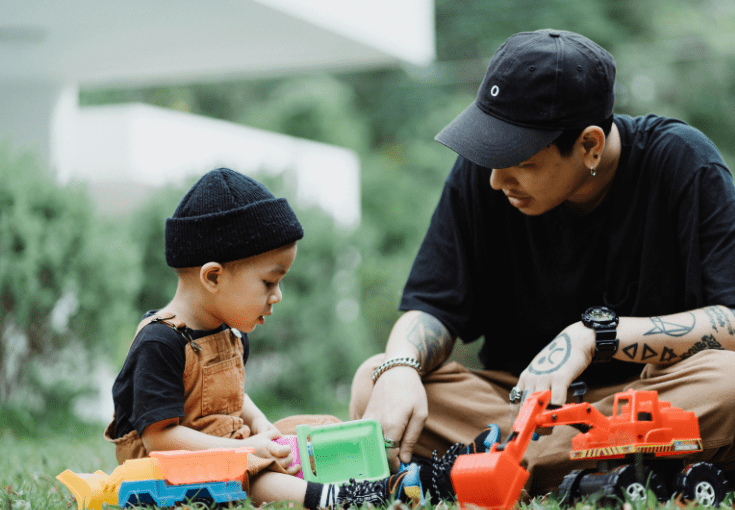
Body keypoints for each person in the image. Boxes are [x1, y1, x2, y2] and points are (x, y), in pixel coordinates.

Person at [350, 29, 735, 496]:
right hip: (516, 406)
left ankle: (493, 470)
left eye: (519, 160)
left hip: (642, 401)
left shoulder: (681, 160)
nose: (496, 180)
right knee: (372, 379)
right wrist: (399, 367)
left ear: (590, 146)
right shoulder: (485, 175)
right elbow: (432, 307)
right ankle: (607, 474)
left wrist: (595, 337)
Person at [104, 168, 476, 508]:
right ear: (213, 277)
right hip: (168, 467)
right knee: (257, 469)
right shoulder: (161, 343)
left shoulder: (227, 333)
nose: (277, 296)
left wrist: (263, 429)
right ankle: (332, 497)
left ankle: (411, 477)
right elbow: (160, 439)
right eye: (269, 282)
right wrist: (248, 448)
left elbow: (231, 395)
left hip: (230, 446)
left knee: (315, 433)